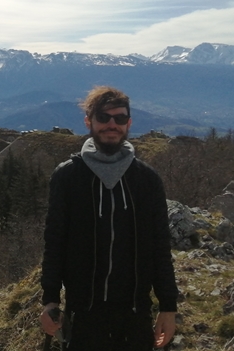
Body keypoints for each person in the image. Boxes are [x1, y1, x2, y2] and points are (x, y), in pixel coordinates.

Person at [39, 86, 178, 350]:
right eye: (103, 117)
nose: (112, 124)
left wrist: (168, 307)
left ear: (129, 123)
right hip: (83, 314)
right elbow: (54, 242)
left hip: (136, 313)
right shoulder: (68, 177)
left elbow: (160, 246)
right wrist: (50, 301)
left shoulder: (147, 180)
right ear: (88, 121)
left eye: (120, 118)